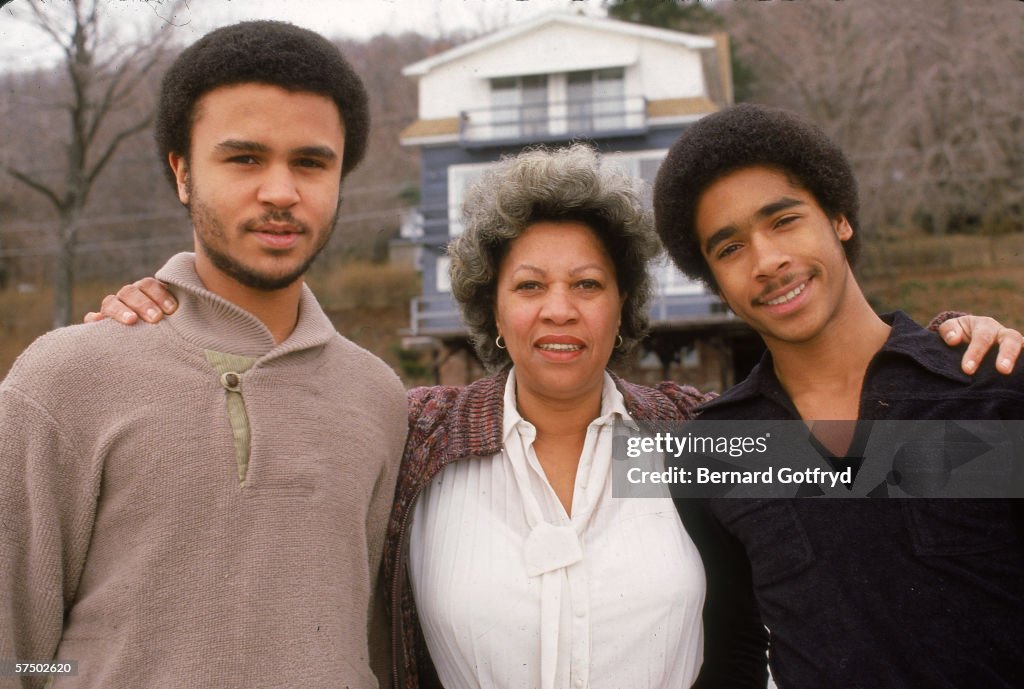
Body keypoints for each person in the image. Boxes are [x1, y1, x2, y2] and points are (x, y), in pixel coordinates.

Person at [90, 141, 1021, 689]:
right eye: (529, 285)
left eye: (588, 284)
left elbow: (879, 476)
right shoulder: (412, 434)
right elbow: (266, 412)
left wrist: (950, 347)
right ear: (490, 307)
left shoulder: (701, 438)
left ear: (624, 306)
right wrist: (163, 312)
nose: (560, 308)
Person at [0, 21, 407, 688]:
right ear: (182, 172)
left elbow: (366, 636)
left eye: (310, 162)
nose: (281, 191)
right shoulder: (64, 379)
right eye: (244, 158)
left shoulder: (378, 396)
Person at [653, 103, 1024, 688]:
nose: (767, 261)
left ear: (840, 217)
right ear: (713, 282)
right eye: (729, 249)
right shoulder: (716, 448)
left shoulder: (991, 385)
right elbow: (733, 652)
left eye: (784, 221)